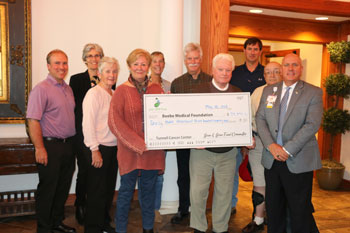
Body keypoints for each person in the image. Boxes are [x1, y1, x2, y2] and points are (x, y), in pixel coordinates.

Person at [256, 53, 323, 233]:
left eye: (295, 65)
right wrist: (272, 146)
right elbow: (260, 119)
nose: (291, 69)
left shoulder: (313, 92)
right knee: (274, 208)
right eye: (287, 65)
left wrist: (286, 149)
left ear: (301, 69)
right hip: (272, 159)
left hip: (298, 160)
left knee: (299, 210)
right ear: (282, 69)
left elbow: (312, 124)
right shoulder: (269, 91)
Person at [108, 49, 165, 233]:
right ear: (129, 66)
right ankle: (121, 230)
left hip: (152, 152)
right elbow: (115, 123)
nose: (140, 68)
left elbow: (165, 117)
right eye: (136, 64)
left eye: (143, 64)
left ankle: (148, 228)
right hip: (129, 151)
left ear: (148, 67)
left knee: (148, 194)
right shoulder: (121, 91)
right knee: (125, 194)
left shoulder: (157, 89)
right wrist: (139, 144)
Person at [190, 53, 240, 233]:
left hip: (228, 153)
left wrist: (247, 137)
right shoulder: (198, 91)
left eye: (228, 70)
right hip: (202, 152)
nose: (224, 73)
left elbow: (242, 122)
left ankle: (220, 228)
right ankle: (198, 227)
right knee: (197, 193)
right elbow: (190, 120)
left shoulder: (238, 94)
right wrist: (193, 138)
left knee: (224, 194)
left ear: (232, 72)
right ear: (212, 70)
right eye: (221, 69)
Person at [27, 49, 76, 233]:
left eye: (64, 63)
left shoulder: (67, 88)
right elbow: (32, 120)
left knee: (62, 188)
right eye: (57, 63)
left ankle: (56, 223)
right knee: (48, 189)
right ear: (48, 66)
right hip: (50, 146)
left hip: (68, 145)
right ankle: (44, 228)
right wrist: (39, 148)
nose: (61, 67)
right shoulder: (41, 89)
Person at [170, 42, 212, 224]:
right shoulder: (177, 83)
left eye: (196, 58)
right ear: (185, 61)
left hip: (205, 140)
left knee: (202, 178)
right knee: (184, 176)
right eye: (189, 59)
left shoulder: (211, 81)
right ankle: (183, 209)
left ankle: (199, 210)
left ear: (201, 59)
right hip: (184, 140)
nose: (193, 61)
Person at [242, 62, 282, 233]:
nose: (272, 76)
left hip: (281, 147)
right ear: (263, 75)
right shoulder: (258, 92)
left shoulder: (289, 94)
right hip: (258, 144)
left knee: (280, 184)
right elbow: (247, 117)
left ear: (282, 73)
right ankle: (258, 220)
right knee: (259, 183)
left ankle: (277, 220)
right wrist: (247, 137)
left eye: (276, 72)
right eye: (268, 72)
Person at [82, 57, 119, 233]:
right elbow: (87, 124)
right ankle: (92, 228)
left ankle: (103, 224)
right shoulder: (93, 94)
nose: (111, 75)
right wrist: (94, 150)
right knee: (96, 193)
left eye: (114, 71)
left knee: (108, 190)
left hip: (113, 149)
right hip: (99, 149)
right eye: (107, 71)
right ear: (99, 73)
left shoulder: (114, 94)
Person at [69, 43, 105, 225]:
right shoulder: (76, 80)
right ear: (84, 59)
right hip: (83, 134)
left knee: (99, 173)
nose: (94, 59)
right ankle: (81, 204)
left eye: (97, 55)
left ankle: (96, 206)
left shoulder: (106, 78)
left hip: (103, 135)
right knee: (84, 171)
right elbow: (77, 110)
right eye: (90, 56)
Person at [229, 37, 265, 215]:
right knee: (233, 169)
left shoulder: (267, 73)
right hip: (235, 128)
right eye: (249, 48)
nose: (252, 52)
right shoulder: (234, 73)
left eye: (256, 49)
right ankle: (232, 204)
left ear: (260, 52)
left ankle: (258, 212)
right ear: (244, 50)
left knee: (260, 174)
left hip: (260, 132)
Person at [138, 51, 170, 223]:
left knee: (159, 175)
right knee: (145, 176)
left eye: (161, 61)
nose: (158, 64)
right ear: (150, 64)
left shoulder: (169, 85)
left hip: (163, 139)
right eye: (155, 61)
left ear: (164, 64)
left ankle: (155, 209)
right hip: (146, 138)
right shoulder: (143, 83)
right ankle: (145, 210)